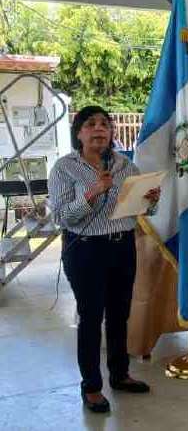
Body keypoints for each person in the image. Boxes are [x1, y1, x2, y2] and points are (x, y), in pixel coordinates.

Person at [48, 106, 160, 413]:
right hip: (85, 250)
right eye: (90, 124)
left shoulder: (126, 165)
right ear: (79, 132)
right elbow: (61, 216)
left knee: (119, 314)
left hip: (122, 245)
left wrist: (150, 202)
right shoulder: (64, 168)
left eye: (104, 125)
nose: (99, 129)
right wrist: (93, 192)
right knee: (91, 317)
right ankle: (92, 387)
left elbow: (141, 211)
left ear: (111, 132)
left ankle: (120, 374)